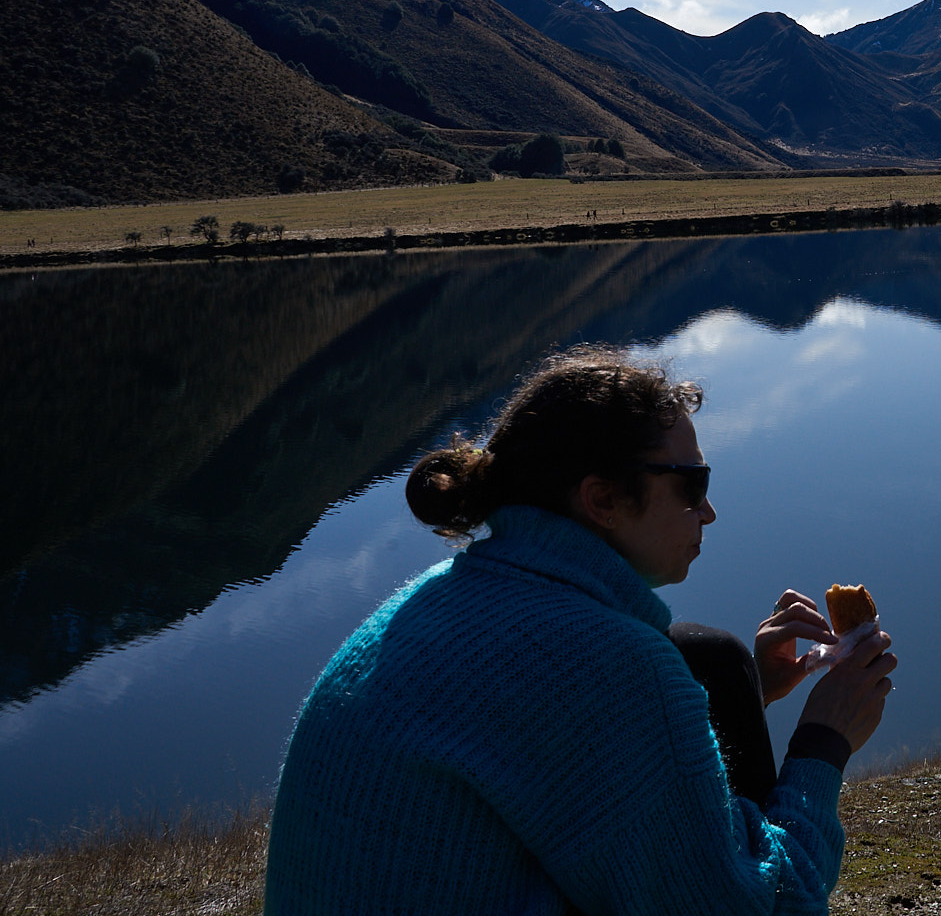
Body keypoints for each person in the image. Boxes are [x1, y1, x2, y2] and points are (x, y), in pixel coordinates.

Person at [264, 347, 896, 914]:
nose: (708, 510)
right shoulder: (596, 662)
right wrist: (824, 740)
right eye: (692, 484)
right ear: (601, 500)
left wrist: (748, 695)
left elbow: (563, 762)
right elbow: (763, 907)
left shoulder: (442, 601)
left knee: (709, 656)